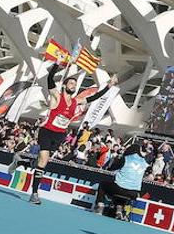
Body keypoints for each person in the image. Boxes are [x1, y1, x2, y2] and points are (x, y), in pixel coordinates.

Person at [28, 67, 116, 205]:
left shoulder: (76, 102)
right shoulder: (57, 96)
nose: (73, 86)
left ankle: (22, 162)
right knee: (43, 161)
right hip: (47, 131)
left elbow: (94, 97)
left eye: (75, 85)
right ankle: (34, 193)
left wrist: (109, 86)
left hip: (59, 135)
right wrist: (57, 64)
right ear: (64, 85)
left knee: (42, 162)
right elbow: (49, 79)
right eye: (71, 83)